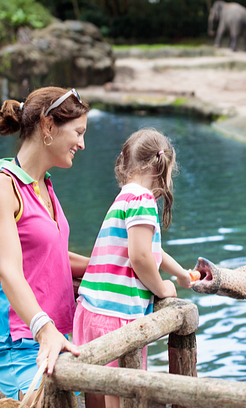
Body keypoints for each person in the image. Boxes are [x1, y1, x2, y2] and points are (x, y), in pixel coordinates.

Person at [0, 86, 90, 401]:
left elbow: (50, 256)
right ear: (48, 126)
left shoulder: (44, 185)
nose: (82, 143)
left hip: (59, 334)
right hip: (20, 342)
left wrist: (107, 267)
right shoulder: (0, 187)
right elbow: (9, 270)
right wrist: (43, 329)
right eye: (77, 132)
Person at [74, 128, 193, 408]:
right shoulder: (144, 200)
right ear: (160, 167)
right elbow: (140, 257)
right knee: (119, 396)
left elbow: (153, 250)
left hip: (90, 311)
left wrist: (181, 275)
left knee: (96, 391)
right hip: (116, 318)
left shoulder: (125, 197)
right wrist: (161, 287)